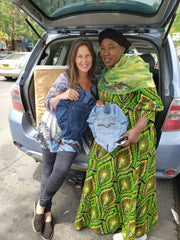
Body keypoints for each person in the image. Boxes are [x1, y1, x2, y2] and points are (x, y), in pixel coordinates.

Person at [75, 28, 164, 240]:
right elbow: (113, 99)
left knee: (133, 182)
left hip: (136, 136)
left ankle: (136, 231)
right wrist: (101, 103)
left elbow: (152, 103)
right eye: (102, 49)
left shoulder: (137, 69)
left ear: (123, 48)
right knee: (102, 173)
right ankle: (111, 221)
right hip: (111, 133)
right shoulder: (107, 73)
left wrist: (136, 130)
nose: (105, 53)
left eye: (111, 48)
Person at [32, 38, 98, 240]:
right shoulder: (65, 77)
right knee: (48, 170)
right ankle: (49, 216)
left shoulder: (95, 84)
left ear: (92, 59)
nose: (84, 60)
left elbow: (92, 112)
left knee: (60, 171)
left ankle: (40, 205)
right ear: (74, 59)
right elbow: (47, 103)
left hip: (73, 134)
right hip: (52, 129)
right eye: (80, 56)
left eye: (87, 56)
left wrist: (99, 104)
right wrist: (64, 95)